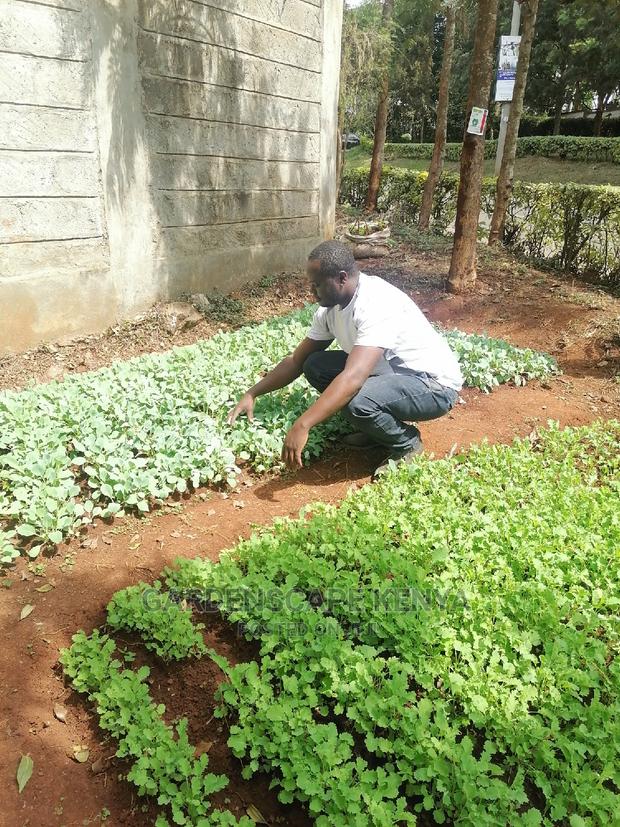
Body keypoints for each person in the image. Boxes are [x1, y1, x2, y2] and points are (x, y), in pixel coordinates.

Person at [228, 240, 463, 478]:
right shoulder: (328, 310)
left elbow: (353, 378)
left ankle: (407, 444)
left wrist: (303, 424)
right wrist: (252, 393)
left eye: (317, 284)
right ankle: (377, 429)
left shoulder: (374, 303)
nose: (312, 291)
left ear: (341, 278)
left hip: (432, 386)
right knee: (315, 365)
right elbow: (297, 360)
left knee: (356, 400)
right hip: (391, 374)